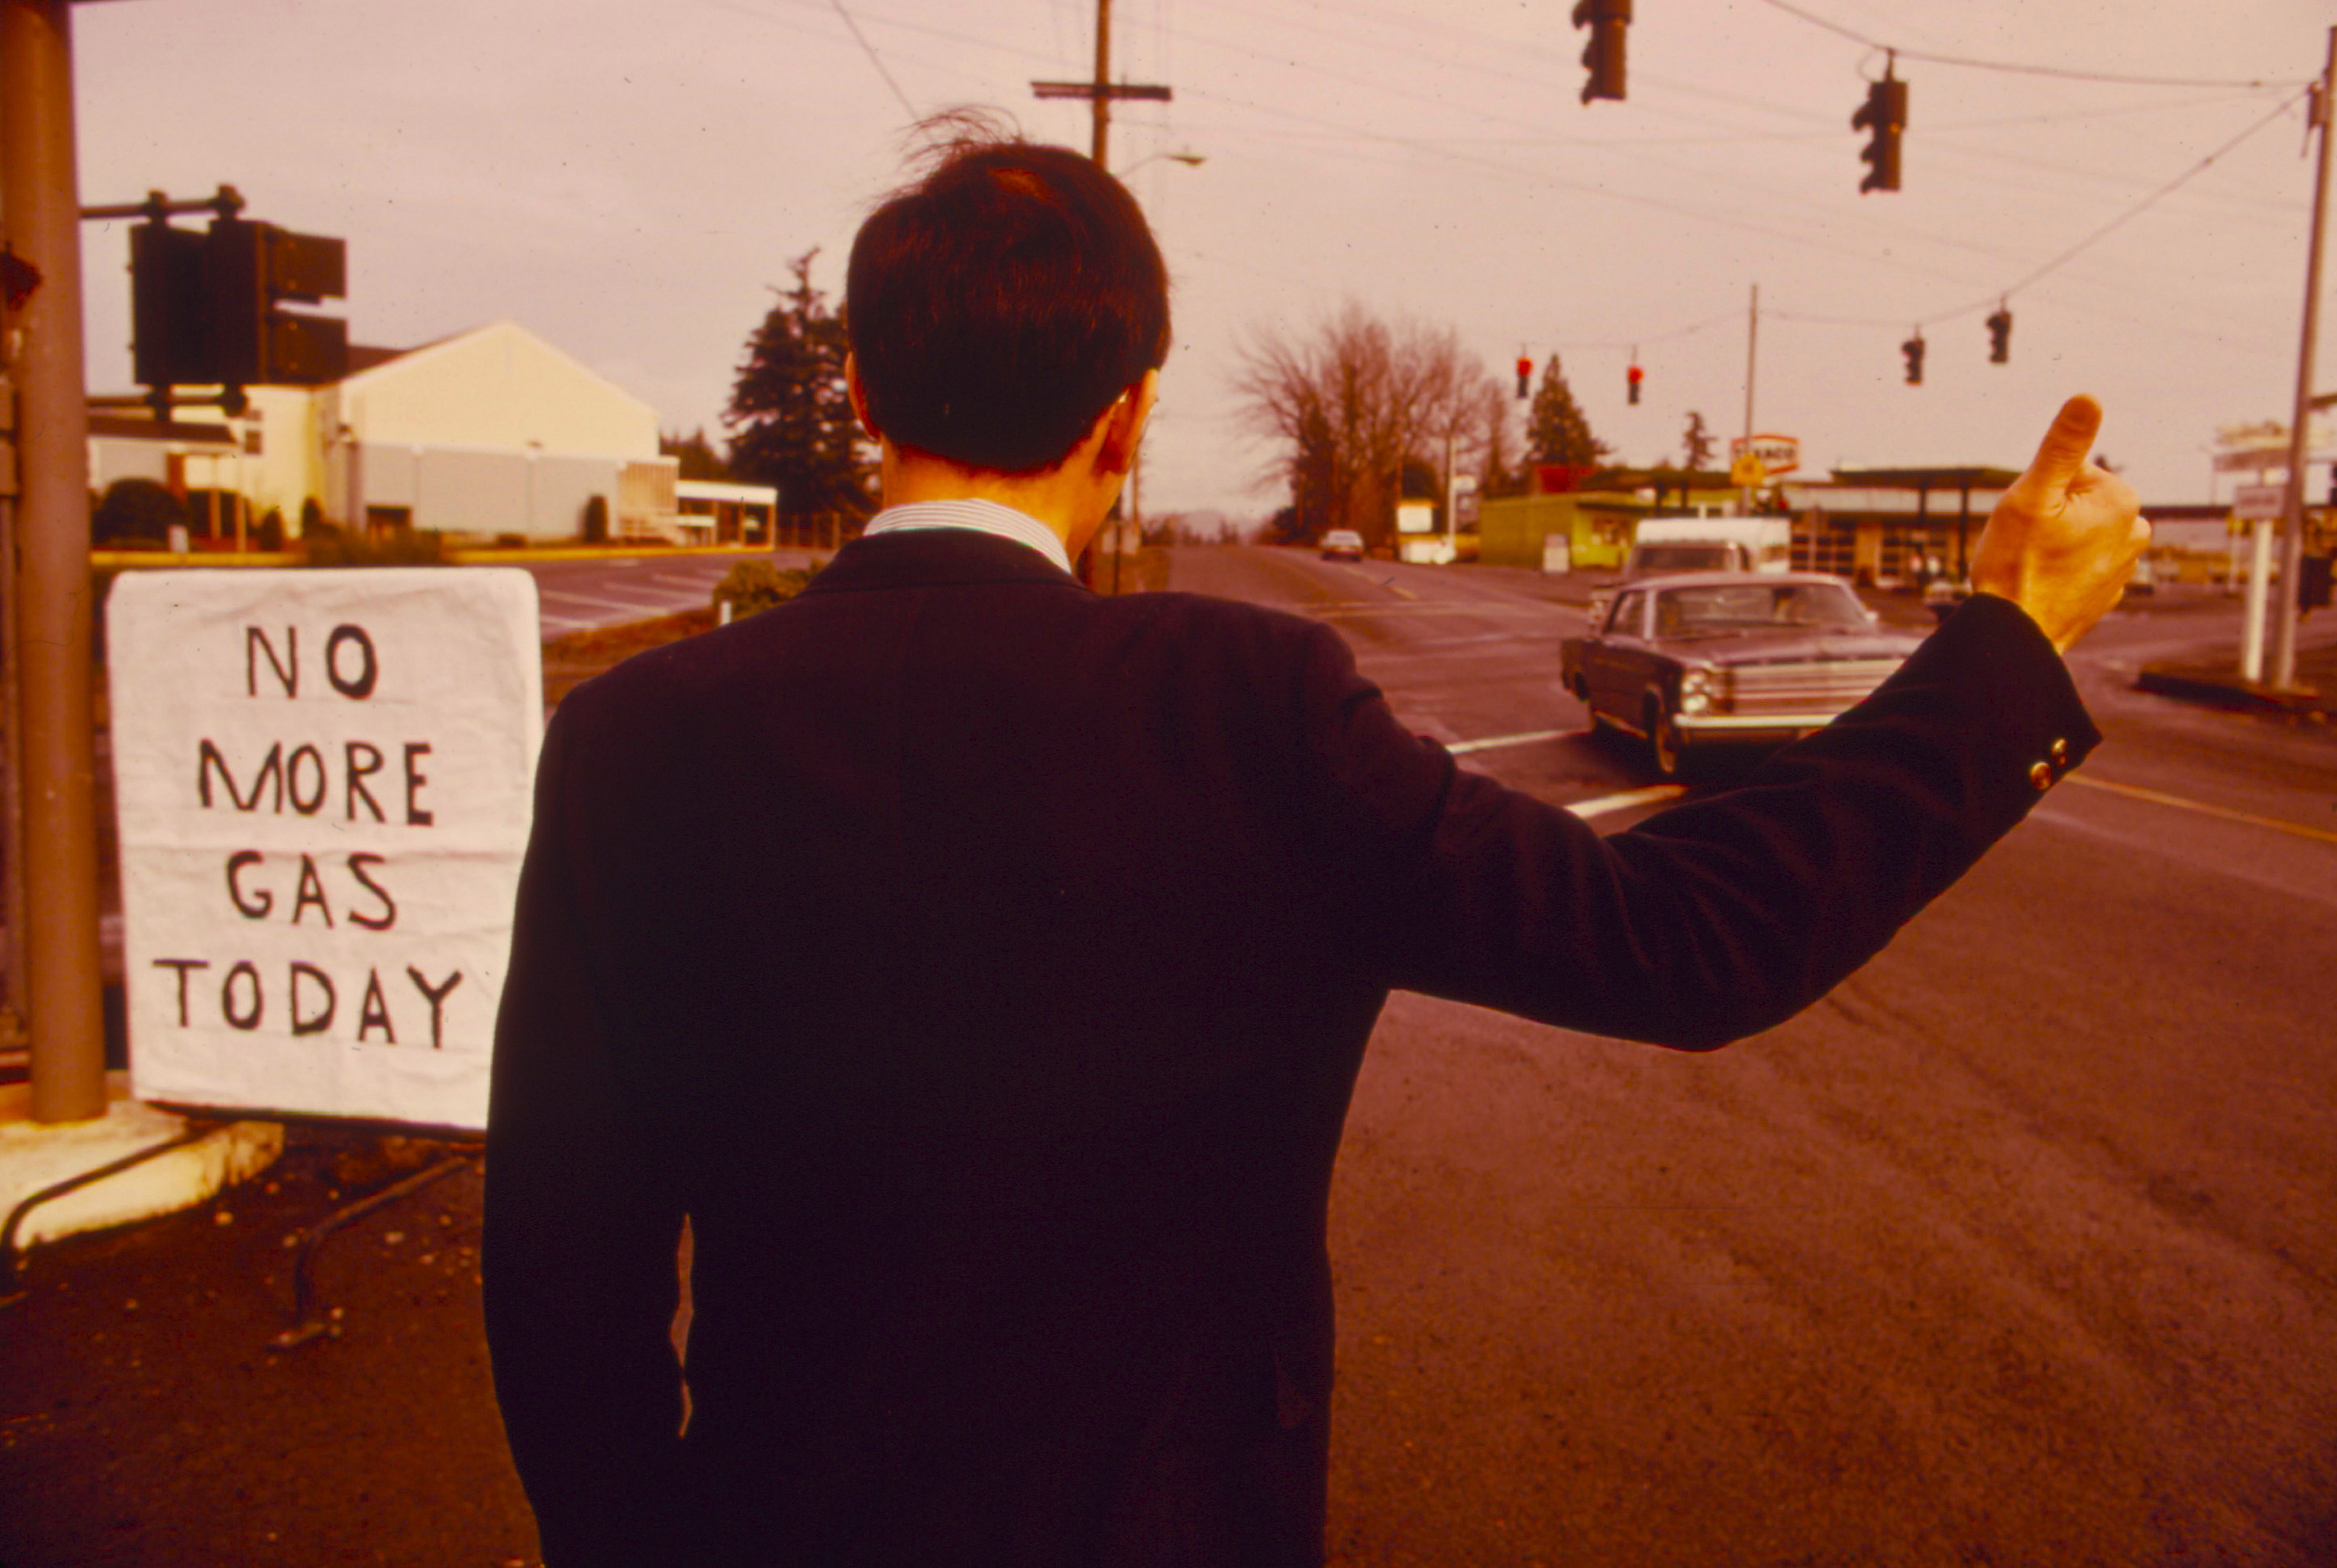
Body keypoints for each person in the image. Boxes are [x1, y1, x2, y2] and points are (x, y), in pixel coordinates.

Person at [481, 125, 2145, 1568]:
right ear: (1128, 418)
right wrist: (2000, 645)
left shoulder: (636, 740)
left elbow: (563, 1267)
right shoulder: (1246, 707)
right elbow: (1683, 939)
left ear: (859, 392)